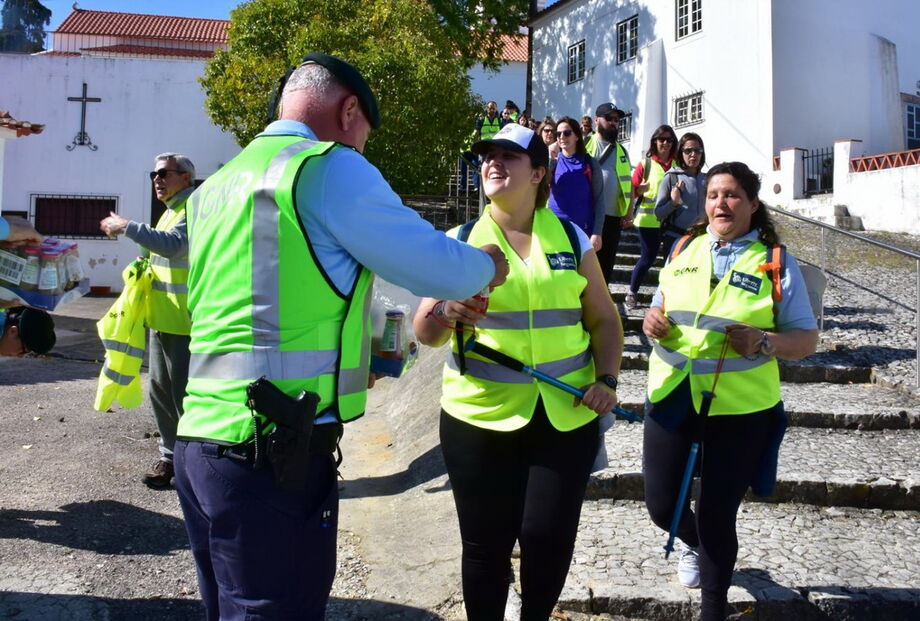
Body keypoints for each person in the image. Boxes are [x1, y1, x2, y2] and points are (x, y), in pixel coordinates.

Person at [173, 53, 508, 621]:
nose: (362, 153)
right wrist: (486, 265)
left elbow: (239, 308)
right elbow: (432, 265)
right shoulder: (326, 166)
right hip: (270, 451)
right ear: (348, 110)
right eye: (364, 139)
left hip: (199, 444)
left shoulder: (217, 187)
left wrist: (352, 355)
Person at [414, 123, 622, 620]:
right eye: (488, 155)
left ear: (538, 173)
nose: (493, 163)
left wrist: (608, 380)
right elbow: (425, 331)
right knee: (485, 546)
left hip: (565, 417)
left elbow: (603, 320)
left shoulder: (571, 237)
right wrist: (447, 310)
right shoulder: (460, 240)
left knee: (546, 540)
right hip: (478, 418)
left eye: (509, 155)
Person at [641, 161, 818, 621]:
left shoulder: (775, 261)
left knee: (718, 513)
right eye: (715, 194)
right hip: (673, 396)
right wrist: (650, 320)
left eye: (733, 194)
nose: (722, 202)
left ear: (753, 205)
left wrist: (764, 341)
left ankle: (713, 609)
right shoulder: (683, 247)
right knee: (661, 506)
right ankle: (693, 543)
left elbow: (805, 340)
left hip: (741, 410)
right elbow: (661, 306)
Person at [100, 153, 196, 489]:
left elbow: (175, 246)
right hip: (162, 319)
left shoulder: (193, 208)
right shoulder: (170, 212)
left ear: (185, 177)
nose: (157, 180)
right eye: (153, 175)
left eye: (163, 173)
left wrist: (128, 227)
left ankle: (194, 465)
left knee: (184, 397)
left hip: (185, 324)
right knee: (161, 393)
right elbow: (161, 253)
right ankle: (170, 458)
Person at [625, 124, 678, 309]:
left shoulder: (677, 165)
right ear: (654, 141)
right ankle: (632, 292)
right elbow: (632, 190)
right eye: (661, 139)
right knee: (648, 258)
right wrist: (639, 190)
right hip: (647, 221)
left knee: (671, 262)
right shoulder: (645, 164)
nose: (665, 143)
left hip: (671, 221)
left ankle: (667, 298)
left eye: (669, 140)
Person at [584, 102, 634, 287]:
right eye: (609, 118)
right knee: (585, 263)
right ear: (597, 120)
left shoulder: (622, 150)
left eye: (617, 119)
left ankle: (600, 306)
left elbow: (628, 182)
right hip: (587, 215)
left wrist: (629, 211)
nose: (614, 122)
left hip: (613, 218)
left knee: (606, 266)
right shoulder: (584, 144)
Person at [548, 116, 604, 250]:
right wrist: (550, 158)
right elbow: (539, 186)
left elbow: (600, 199)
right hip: (554, 227)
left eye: (567, 133)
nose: (562, 137)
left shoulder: (590, 163)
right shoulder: (552, 161)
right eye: (558, 134)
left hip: (582, 230)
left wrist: (597, 233)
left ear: (577, 136)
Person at [655, 132, 707, 259]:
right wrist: (673, 203)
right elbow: (658, 213)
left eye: (698, 150)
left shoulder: (707, 179)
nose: (693, 154)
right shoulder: (671, 177)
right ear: (680, 152)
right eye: (688, 151)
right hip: (676, 239)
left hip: (701, 241)